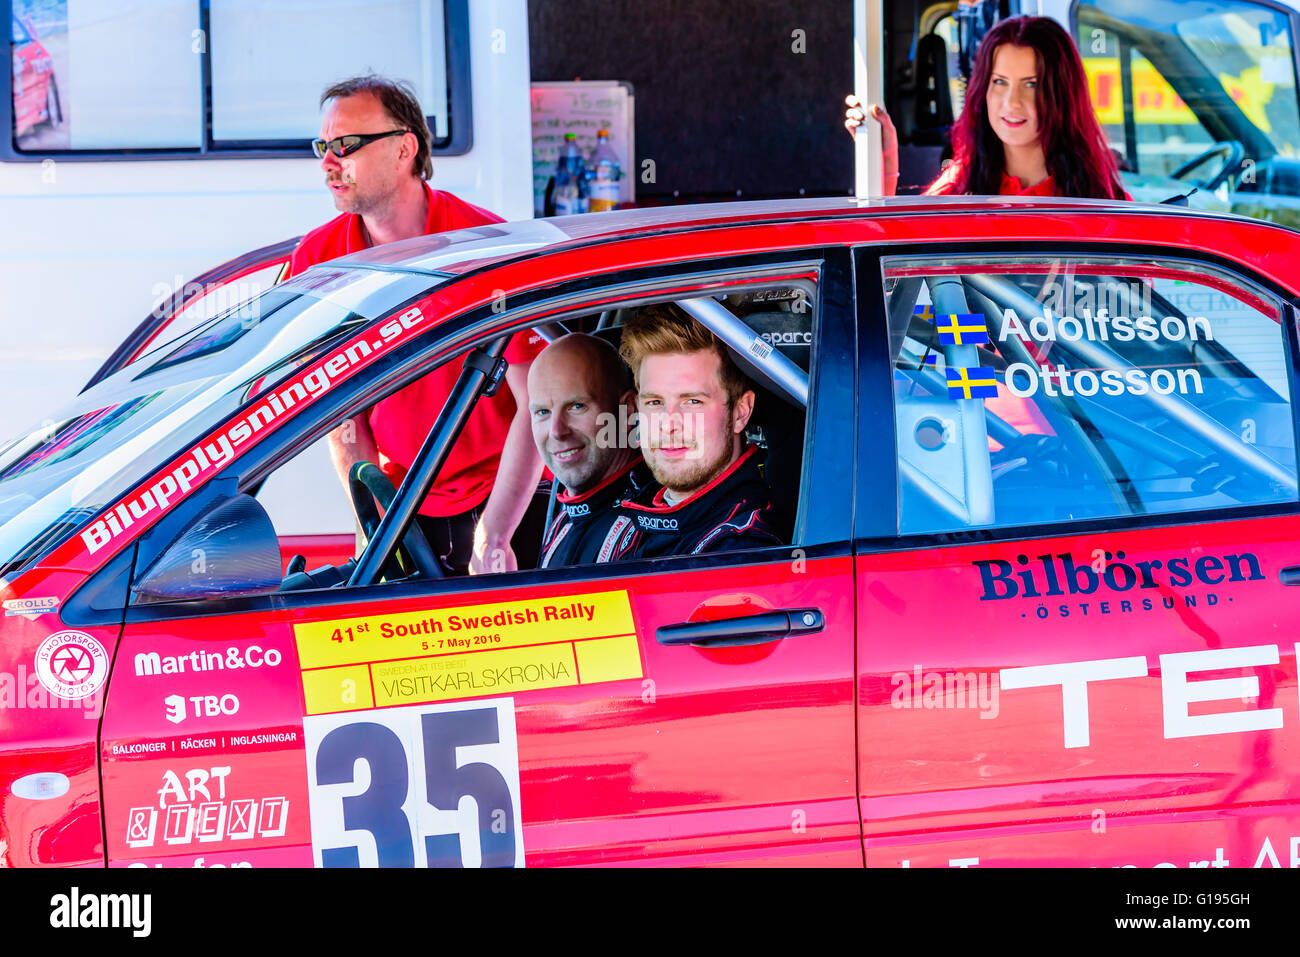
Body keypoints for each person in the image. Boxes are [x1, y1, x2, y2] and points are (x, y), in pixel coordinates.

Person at [283, 75, 545, 576]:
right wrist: (372, 522)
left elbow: (536, 401)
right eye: (323, 146)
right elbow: (341, 415)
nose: (327, 163)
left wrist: (497, 533)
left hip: (514, 500)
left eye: (345, 145)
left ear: (405, 148)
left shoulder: (486, 245)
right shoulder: (317, 261)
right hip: (404, 503)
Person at [845, 16, 1128, 200]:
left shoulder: (1104, 199)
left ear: (1063, 93)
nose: (1012, 102)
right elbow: (898, 272)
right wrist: (885, 169)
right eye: (1000, 82)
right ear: (983, 90)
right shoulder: (960, 185)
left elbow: (1131, 291)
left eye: (1032, 84)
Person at [608, 304, 788, 560]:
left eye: (692, 402)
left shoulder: (742, 548)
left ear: (740, 412)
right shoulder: (637, 514)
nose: (668, 424)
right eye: (655, 402)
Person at [527, 334, 652, 567]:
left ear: (628, 410)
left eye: (576, 406)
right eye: (542, 412)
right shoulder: (567, 515)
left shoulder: (649, 528)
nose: (556, 431)